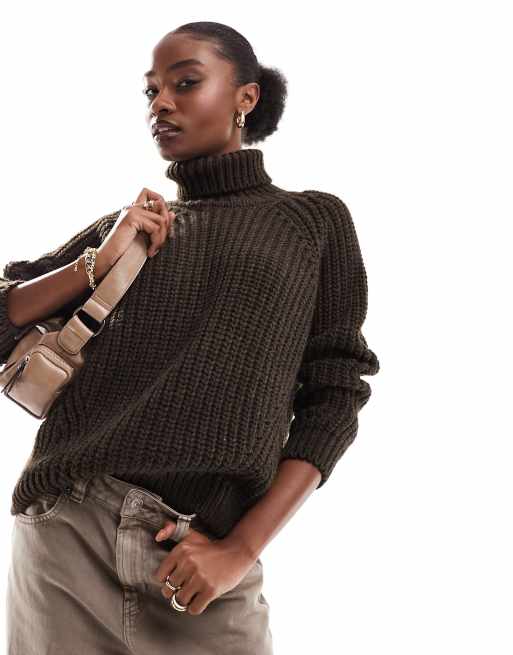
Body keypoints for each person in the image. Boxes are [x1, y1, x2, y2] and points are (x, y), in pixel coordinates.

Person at [1, 21, 380, 655]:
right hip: (68, 537)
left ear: (245, 97)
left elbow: (336, 395)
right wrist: (96, 262)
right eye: (151, 91)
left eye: (185, 83)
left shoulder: (311, 221)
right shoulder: (133, 227)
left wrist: (241, 549)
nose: (161, 104)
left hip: (202, 552)